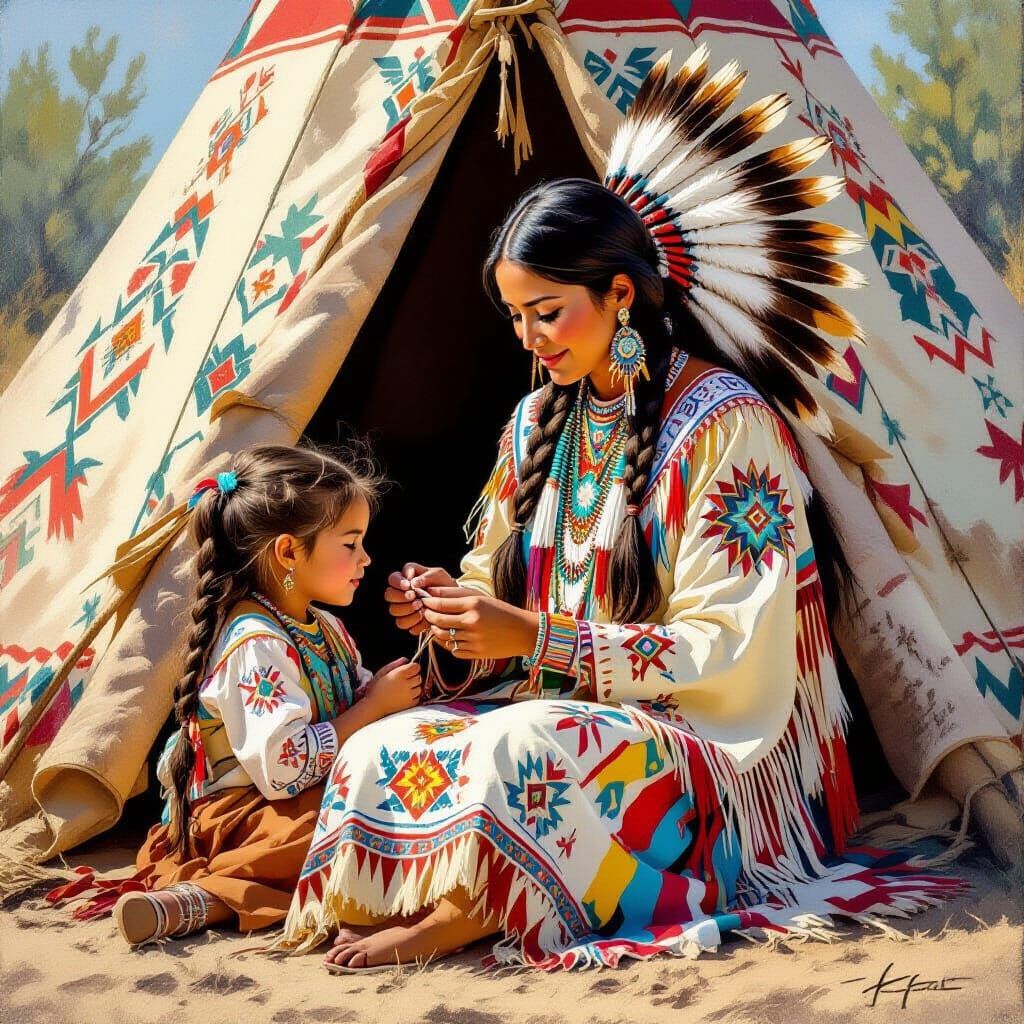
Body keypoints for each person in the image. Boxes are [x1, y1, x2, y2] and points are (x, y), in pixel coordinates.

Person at [274, 47, 970, 972]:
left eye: (547, 312)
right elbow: (494, 583)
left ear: (620, 293)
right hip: (553, 701)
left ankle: (480, 907)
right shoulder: (531, 423)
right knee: (387, 742)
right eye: (515, 316)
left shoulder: (725, 427)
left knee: (525, 744)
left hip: (705, 743)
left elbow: (729, 647)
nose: (528, 339)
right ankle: (457, 888)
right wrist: (446, 609)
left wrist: (536, 637)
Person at [52, 442, 424, 944]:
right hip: (243, 815)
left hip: (297, 801)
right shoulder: (256, 643)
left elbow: (358, 700)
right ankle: (208, 898)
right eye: (350, 543)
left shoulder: (328, 627)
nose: (366, 558)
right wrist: (375, 705)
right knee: (342, 823)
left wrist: (416, 666)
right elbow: (284, 768)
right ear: (289, 551)